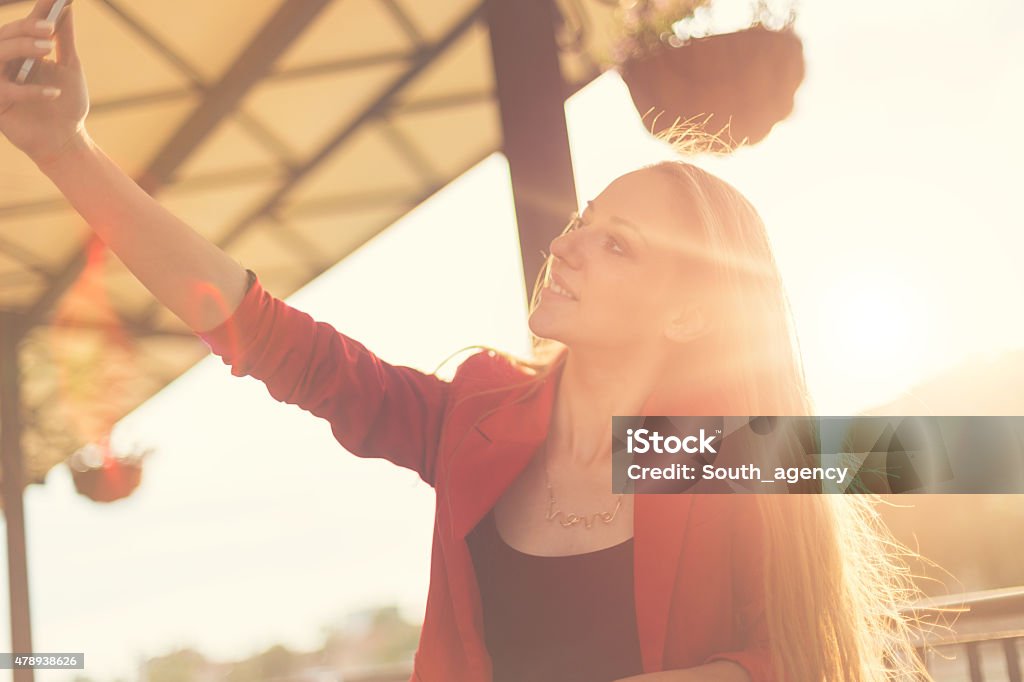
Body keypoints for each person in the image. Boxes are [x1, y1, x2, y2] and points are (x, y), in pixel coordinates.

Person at [0, 2, 936, 680]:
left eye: (619, 246)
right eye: (584, 221)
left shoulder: (715, 451)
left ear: (691, 315)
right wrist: (65, 152)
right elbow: (266, 334)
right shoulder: (478, 415)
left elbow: (817, 634)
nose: (568, 244)